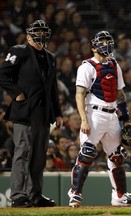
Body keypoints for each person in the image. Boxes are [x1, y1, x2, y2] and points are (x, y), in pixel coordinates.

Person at [67, 30, 131, 207]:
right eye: (102, 41)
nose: (106, 44)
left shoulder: (114, 65)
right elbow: (79, 95)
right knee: (87, 153)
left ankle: (119, 196)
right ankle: (75, 193)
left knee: (117, 156)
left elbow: (120, 94)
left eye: (108, 41)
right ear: (93, 47)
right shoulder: (86, 67)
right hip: (94, 114)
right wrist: (83, 118)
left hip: (112, 115)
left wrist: (126, 119)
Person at [0, 20, 63, 207]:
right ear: (28, 36)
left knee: (39, 156)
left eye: (44, 31)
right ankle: (19, 195)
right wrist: (15, 92)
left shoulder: (50, 56)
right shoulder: (19, 51)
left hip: (44, 114)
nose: (42, 35)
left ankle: (35, 195)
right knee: (23, 152)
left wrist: (58, 113)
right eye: (38, 32)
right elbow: (2, 74)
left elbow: (52, 88)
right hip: (25, 112)